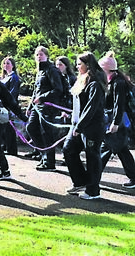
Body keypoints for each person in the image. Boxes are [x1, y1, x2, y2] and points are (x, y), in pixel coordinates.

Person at [63, 52, 106, 200]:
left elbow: (91, 107)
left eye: (79, 63)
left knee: (92, 156)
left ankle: (93, 191)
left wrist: (80, 126)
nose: (76, 66)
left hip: (91, 127)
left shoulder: (94, 83)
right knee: (68, 150)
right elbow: (78, 103)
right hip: (77, 124)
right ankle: (80, 181)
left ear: (87, 65)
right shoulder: (81, 80)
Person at [98, 52, 135, 189]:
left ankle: (92, 177)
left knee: (106, 148)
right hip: (116, 121)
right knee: (121, 150)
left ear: (106, 68)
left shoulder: (118, 83)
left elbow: (119, 105)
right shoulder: (112, 81)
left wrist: (115, 123)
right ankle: (133, 176)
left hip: (117, 122)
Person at [26, 46, 64, 170]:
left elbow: (58, 89)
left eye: (41, 54)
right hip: (38, 107)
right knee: (31, 128)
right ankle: (44, 155)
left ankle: (50, 162)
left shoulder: (51, 70)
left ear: (47, 56)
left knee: (48, 134)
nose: (39, 57)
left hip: (48, 106)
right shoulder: (40, 71)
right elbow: (36, 90)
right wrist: (30, 106)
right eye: (37, 54)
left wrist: (42, 98)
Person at [0, 57, 22, 156]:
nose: (6, 65)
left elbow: (13, 93)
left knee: (10, 128)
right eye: (4, 63)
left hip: (10, 106)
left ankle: (12, 149)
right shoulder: (4, 77)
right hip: (3, 105)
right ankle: (5, 146)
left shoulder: (14, 77)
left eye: (8, 63)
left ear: (13, 65)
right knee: (4, 127)